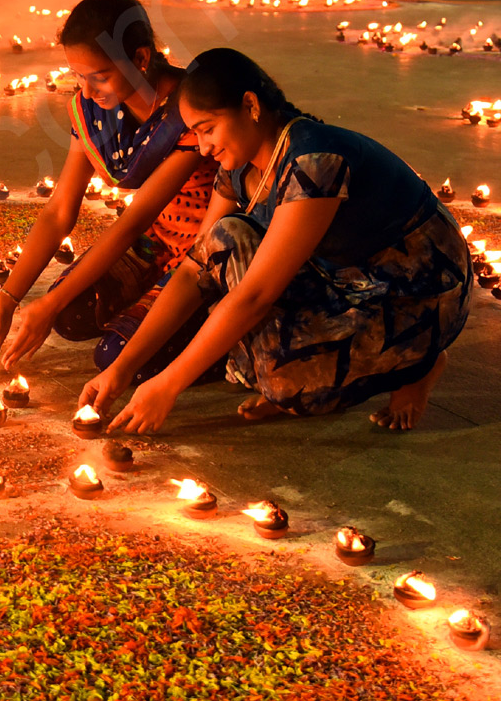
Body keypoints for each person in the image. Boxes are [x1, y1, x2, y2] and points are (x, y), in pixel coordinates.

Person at [80, 48, 471, 434]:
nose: (203, 148)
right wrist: (121, 370)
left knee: (291, 387)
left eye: (208, 129)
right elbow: (194, 267)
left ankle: (418, 364)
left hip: (415, 292)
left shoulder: (312, 160)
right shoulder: (237, 168)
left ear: (250, 105)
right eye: (196, 134)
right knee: (226, 240)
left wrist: (167, 386)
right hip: (343, 278)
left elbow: (256, 296)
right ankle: (325, 369)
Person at [0, 0, 218, 384]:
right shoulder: (92, 110)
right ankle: (157, 310)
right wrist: (5, 302)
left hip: (202, 256)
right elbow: (58, 213)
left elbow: (135, 220)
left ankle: (224, 337)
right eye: (78, 77)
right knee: (71, 316)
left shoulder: (188, 109)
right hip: (158, 243)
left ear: (140, 59)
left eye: (99, 76)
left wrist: (48, 302)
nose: (87, 91)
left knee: (113, 355)